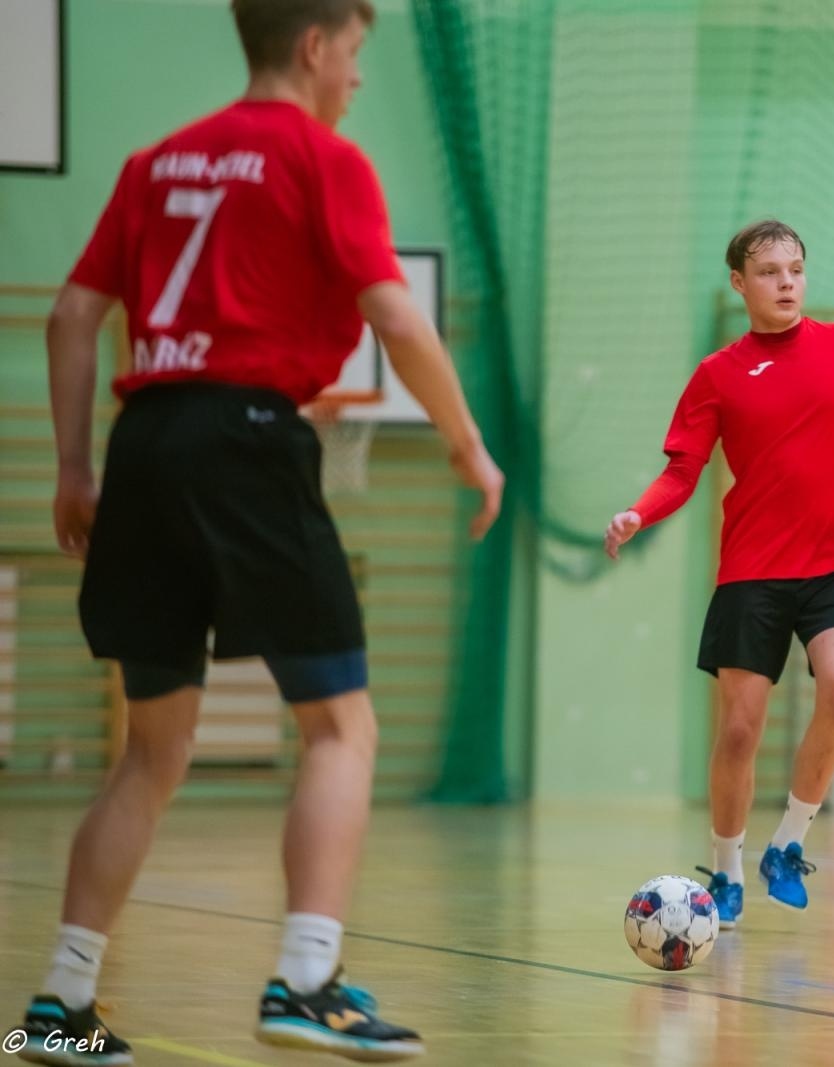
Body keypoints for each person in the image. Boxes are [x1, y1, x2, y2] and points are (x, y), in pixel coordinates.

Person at [16, 1, 503, 1062]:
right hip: (245, 436)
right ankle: (307, 976)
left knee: (151, 749)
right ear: (319, 45)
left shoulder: (156, 162)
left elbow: (69, 315)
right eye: (359, 56)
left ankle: (59, 1005)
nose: (360, 80)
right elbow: (398, 315)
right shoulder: (323, 159)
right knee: (341, 726)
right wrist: (466, 442)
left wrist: (70, 465)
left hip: (145, 441)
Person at [605, 219, 834, 927]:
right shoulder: (718, 373)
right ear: (740, 284)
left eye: (796, 269)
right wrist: (637, 514)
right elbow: (682, 470)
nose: (787, 283)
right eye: (771, 271)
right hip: (754, 568)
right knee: (741, 730)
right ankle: (726, 864)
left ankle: (789, 843)